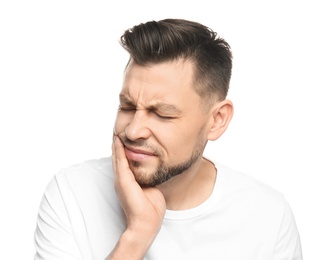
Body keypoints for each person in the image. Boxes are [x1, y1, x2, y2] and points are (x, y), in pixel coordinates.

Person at [34, 18, 303, 260]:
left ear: (217, 120)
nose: (133, 131)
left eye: (162, 114)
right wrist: (136, 237)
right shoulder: (71, 193)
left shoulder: (268, 216)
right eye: (127, 107)